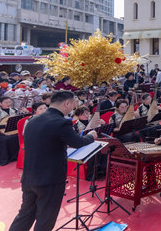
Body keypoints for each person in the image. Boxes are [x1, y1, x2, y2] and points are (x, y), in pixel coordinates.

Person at [10, 91, 97, 231]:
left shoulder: (33, 120)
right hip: (50, 179)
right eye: (73, 103)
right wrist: (91, 136)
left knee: (25, 215)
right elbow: (77, 142)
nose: (74, 107)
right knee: (45, 218)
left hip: (29, 177)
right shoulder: (61, 122)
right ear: (67, 103)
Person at [0, 95, 21, 165]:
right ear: (0, 104)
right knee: (5, 139)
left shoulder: (14, 110)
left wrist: (25, 112)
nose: (8, 104)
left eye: (9, 102)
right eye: (6, 102)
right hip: (0, 133)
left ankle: (16, 156)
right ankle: (5, 158)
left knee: (19, 136)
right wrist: (4, 126)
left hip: (12, 130)